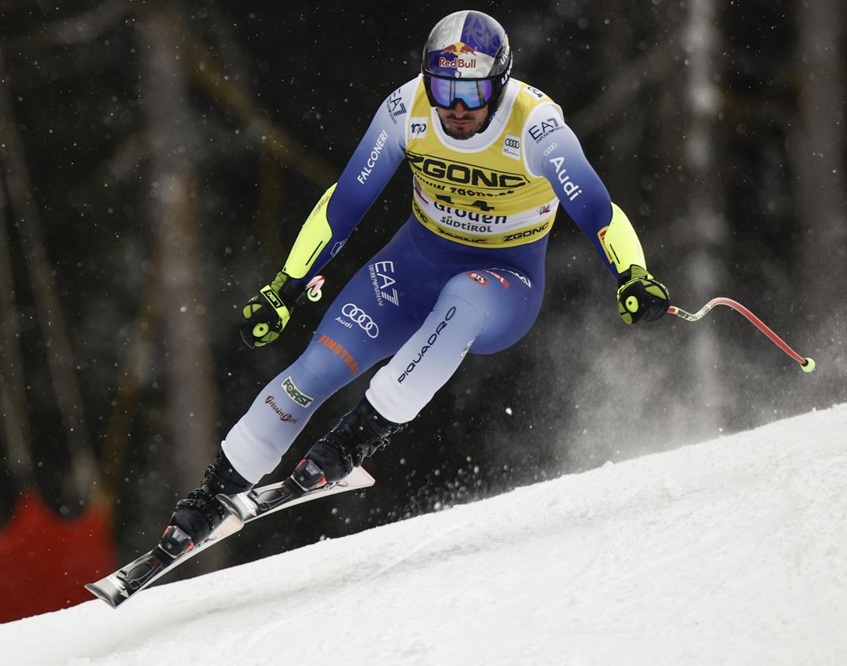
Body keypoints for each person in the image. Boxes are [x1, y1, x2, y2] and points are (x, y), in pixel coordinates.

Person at [158, 10, 670, 558]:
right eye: (444, 88)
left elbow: (596, 207)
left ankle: (355, 439)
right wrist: (285, 287)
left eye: (472, 94)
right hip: (414, 265)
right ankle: (216, 492)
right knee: (317, 367)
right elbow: (346, 202)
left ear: (499, 86)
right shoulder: (406, 109)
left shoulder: (536, 125)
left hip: (505, 280)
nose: (455, 108)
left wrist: (631, 275)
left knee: (463, 300)